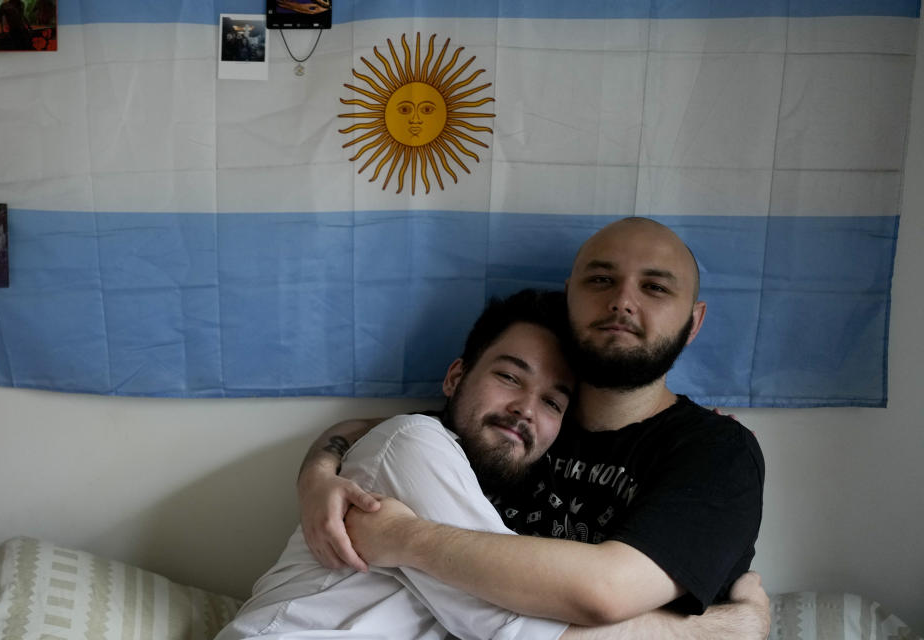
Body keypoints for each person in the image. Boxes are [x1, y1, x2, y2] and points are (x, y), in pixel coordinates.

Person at [217, 290, 769, 639]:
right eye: (509, 376)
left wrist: (320, 466)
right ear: (456, 378)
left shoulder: (495, 489)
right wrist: (726, 629)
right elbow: (515, 628)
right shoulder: (413, 443)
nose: (526, 410)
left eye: (554, 401)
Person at [299, 217, 767, 627]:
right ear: (570, 296)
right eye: (601, 280)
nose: (623, 301)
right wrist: (317, 477)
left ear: (693, 322)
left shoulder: (716, 453)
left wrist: (404, 539)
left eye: (655, 287)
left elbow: (606, 592)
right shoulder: (527, 426)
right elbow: (388, 431)